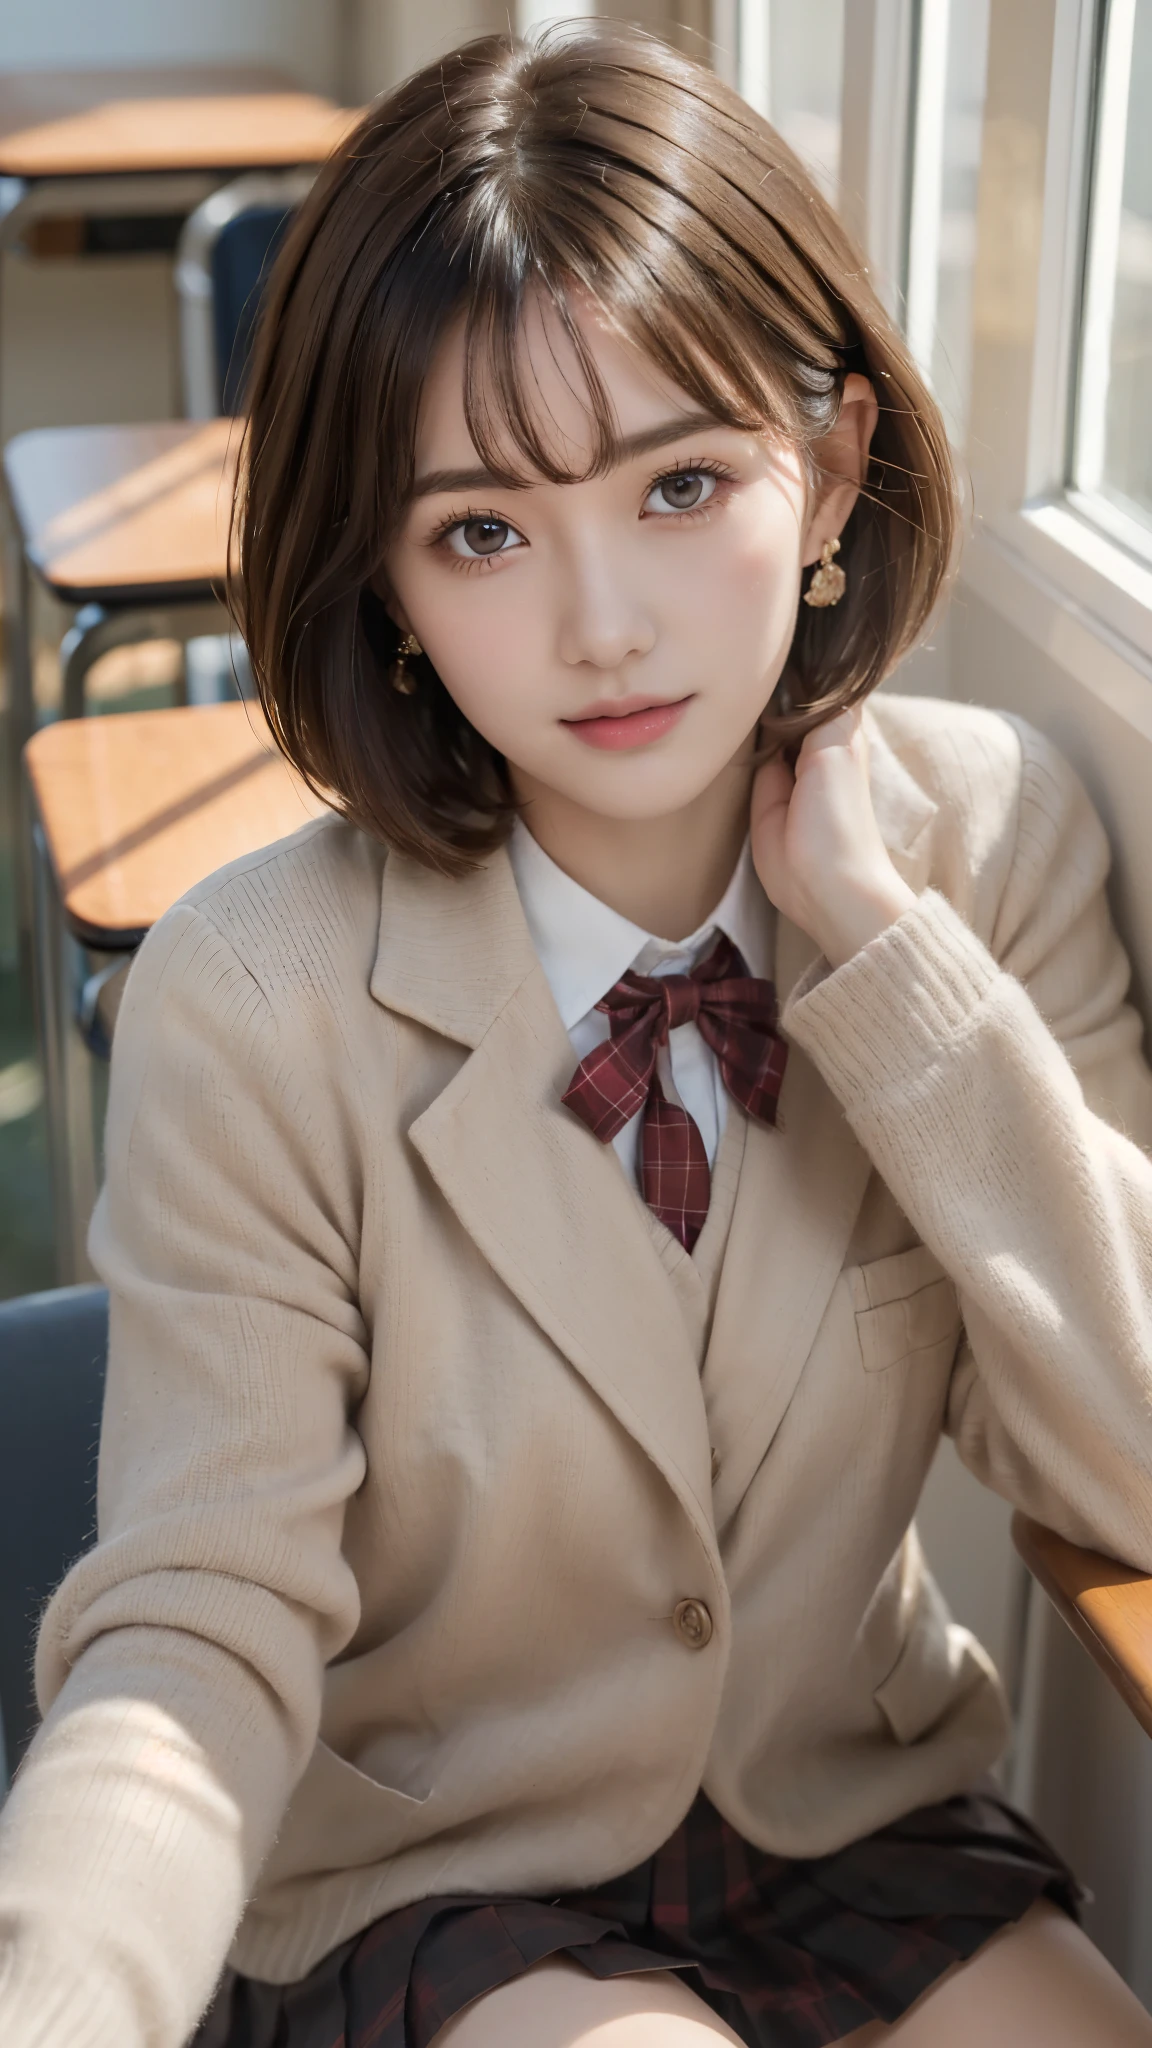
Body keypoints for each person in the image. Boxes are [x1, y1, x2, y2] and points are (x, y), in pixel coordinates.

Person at [2, 22, 1152, 2048]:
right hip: (435, 1871)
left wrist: (888, 963)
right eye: (483, 533)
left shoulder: (996, 844)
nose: (603, 623)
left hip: (846, 1818)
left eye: (684, 483)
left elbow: (1129, 1464)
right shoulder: (249, 994)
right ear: (387, 582)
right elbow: (201, 1622)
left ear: (835, 470)